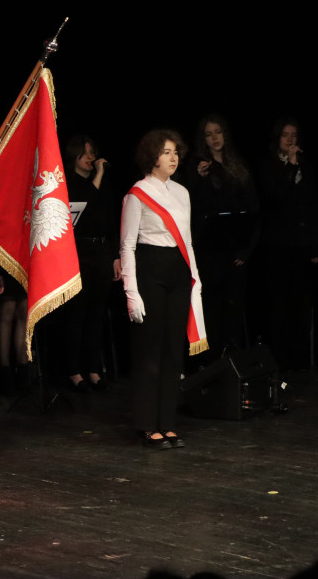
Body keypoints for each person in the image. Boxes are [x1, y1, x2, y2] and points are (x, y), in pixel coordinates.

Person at [120, 129, 206, 449]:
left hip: (178, 271)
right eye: (166, 152)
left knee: (173, 350)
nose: (173, 157)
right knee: (150, 351)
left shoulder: (183, 193)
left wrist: (196, 280)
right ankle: (146, 424)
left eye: (175, 152)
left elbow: (188, 241)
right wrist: (132, 292)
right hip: (150, 270)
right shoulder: (137, 193)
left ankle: (168, 423)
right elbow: (127, 246)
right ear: (152, 157)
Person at [185, 115, 259, 355]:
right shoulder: (198, 165)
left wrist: (245, 249)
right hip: (210, 249)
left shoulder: (238, 164)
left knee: (234, 304)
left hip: (236, 249)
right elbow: (191, 206)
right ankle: (212, 356)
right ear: (203, 139)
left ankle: (232, 354)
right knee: (212, 304)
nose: (214, 138)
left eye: (218, 132)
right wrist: (199, 179)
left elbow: (253, 210)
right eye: (209, 134)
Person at [51, 135, 120, 392]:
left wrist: (115, 255)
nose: (91, 158)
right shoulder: (70, 183)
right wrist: (98, 175)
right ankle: (73, 371)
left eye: (93, 153)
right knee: (76, 314)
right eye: (86, 154)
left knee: (97, 314)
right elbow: (85, 204)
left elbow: (111, 220)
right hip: (79, 252)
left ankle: (93, 369)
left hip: (101, 251)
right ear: (74, 157)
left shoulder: (104, 185)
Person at [254, 118, 318, 371]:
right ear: (277, 139)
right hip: (277, 246)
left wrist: (316, 245)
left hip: (301, 245)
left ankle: (298, 360)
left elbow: (313, 206)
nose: (290, 140)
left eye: (294, 136)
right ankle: (276, 359)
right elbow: (275, 196)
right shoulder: (268, 165)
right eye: (285, 136)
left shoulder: (307, 166)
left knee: (300, 305)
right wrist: (291, 167)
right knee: (278, 305)